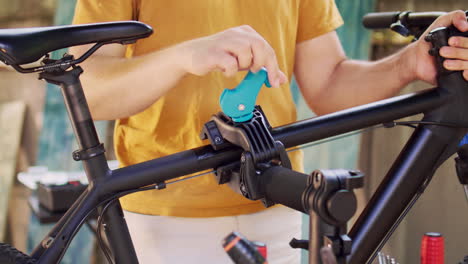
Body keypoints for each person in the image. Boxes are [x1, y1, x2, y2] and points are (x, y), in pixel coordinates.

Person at [70, 0, 468, 263]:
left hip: (277, 203)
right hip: (168, 218)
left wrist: (408, 65)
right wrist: (182, 57)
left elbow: (328, 83)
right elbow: (91, 92)